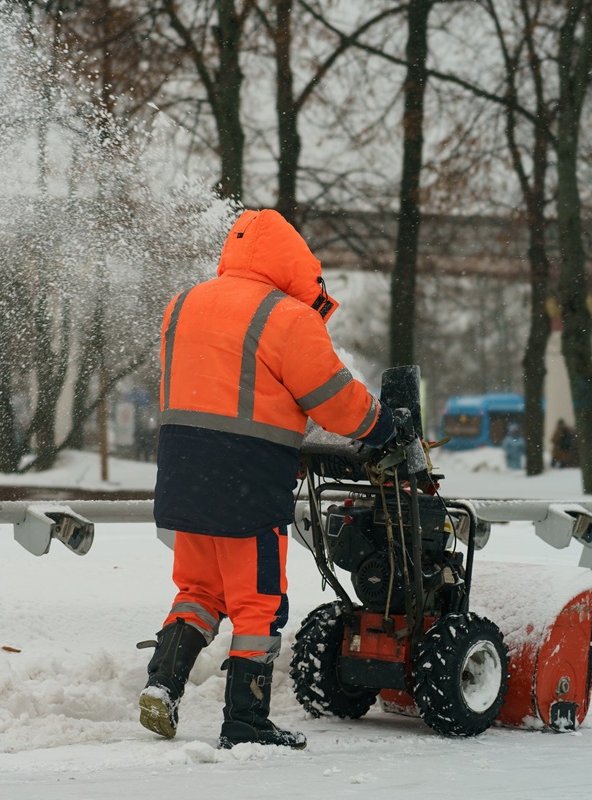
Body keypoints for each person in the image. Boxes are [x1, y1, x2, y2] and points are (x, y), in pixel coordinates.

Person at [140, 209, 394, 751]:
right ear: (297, 263)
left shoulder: (183, 303)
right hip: (246, 480)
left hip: (183, 472)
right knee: (259, 602)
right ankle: (246, 721)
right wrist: (383, 424)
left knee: (198, 591)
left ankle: (162, 685)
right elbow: (334, 402)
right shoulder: (288, 317)